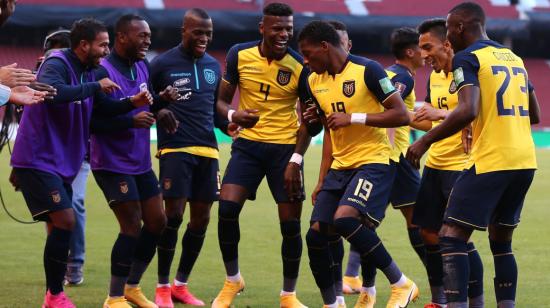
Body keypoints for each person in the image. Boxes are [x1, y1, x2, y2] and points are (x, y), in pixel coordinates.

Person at [407, 2, 540, 307]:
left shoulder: (466, 57)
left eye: (451, 29)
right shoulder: (514, 58)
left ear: (461, 27)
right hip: (524, 160)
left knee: (451, 235)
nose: (449, 36)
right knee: (501, 244)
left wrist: (424, 141)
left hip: (491, 159)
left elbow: (468, 109)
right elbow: (535, 113)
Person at [10, 17, 143, 308]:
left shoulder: (90, 71)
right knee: (65, 220)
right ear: (83, 45)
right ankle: (55, 295)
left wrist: (133, 106)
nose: (107, 51)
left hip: (62, 163)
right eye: (103, 44)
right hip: (38, 157)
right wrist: (95, 87)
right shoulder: (57, 62)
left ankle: (54, 293)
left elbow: (104, 111)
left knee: (63, 224)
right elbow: (53, 94)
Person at [298, 20, 417, 308]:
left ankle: (401, 284)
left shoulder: (369, 70)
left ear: (325, 47)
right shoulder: (315, 80)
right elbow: (328, 132)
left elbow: (402, 115)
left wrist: (355, 117)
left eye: (308, 53)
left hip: (374, 161)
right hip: (340, 167)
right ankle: (333, 304)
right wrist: (322, 178)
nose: (305, 60)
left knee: (346, 219)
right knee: (315, 237)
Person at [211, 3, 321, 307]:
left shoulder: (301, 66)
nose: (284, 34)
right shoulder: (238, 54)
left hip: (285, 151)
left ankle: (288, 295)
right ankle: (233, 280)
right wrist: (234, 114)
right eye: (277, 28)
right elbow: (219, 103)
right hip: (248, 147)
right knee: (227, 209)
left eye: (288, 28)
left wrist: (296, 160)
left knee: (289, 226)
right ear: (262, 28)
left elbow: (310, 123)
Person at [89, 14, 178, 308]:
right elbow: (93, 122)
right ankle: (113, 298)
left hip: (139, 162)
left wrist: (161, 104)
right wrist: (130, 122)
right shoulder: (100, 70)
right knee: (131, 226)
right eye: (141, 35)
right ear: (122, 37)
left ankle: (132, 287)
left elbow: (145, 100)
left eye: (149, 35)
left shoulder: (142, 65)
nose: (148, 40)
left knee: (158, 221)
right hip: (112, 163)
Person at [149, 8, 233, 308]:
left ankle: (179, 286)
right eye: (198, 32)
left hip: (208, 150)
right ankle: (160, 287)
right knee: (172, 217)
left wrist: (231, 125)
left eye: (208, 33)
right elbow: (145, 102)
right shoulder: (161, 64)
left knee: (201, 220)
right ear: (183, 30)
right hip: (175, 149)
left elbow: (214, 112)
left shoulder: (213, 66)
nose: (204, 38)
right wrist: (159, 110)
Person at [411, 18, 485, 308]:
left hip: (463, 166)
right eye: (420, 49)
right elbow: (431, 114)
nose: (423, 55)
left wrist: (442, 116)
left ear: (447, 43)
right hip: (436, 163)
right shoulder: (435, 76)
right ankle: (439, 300)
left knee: (458, 239)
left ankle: (474, 302)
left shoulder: (468, 72)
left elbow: (474, 111)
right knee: (428, 232)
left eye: (427, 47)